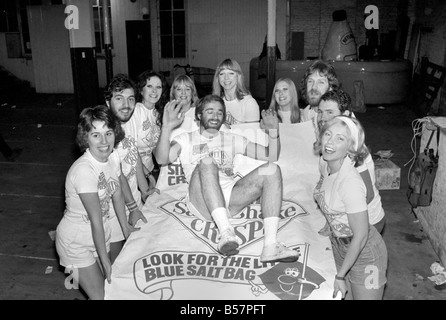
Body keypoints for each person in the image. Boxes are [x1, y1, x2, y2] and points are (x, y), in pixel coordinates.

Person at [154, 94, 299, 263]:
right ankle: (225, 232)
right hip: (201, 201)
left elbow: (271, 155)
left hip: (230, 198)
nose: (215, 116)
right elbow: (161, 159)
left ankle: (271, 246)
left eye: (219, 112)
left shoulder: (231, 138)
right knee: (207, 162)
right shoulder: (185, 139)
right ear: (199, 115)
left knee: (272, 170)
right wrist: (166, 127)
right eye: (210, 111)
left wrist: (273, 132)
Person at [55, 105, 137, 300]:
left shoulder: (110, 159)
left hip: (99, 236)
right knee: (102, 297)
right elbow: (96, 219)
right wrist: (105, 262)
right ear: (86, 138)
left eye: (108, 133)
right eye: (95, 135)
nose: (104, 141)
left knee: (112, 290)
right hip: (76, 242)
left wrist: (126, 227)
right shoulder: (84, 170)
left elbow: (117, 194)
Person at [313, 116, 388, 300]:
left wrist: (340, 276)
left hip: (366, 253)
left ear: (351, 147)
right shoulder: (326, 163)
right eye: (328, 134)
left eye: (340, 138)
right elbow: (330, 196)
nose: (330, 142)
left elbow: (361, 236)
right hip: (341, 247)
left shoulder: (350, 182)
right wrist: (332, 224)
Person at [317, 90, 386, 234]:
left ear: (347, 114)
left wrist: (337, 221)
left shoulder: (354, 151)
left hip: (368, 223)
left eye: (330, 112)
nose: (322, 118)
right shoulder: (330, 140)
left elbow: (368, 195)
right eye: (320, 112)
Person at [104, 74, 149, 262]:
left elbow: (134, 153)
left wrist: (145, 189)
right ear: (108, 102)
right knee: (117, 264)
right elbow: (118, 175)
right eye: (119, 98)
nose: (126, 105)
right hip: (113, 210)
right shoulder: (104, 131)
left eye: (130, 99)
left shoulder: (129, 121)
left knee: (136, 258)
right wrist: (132, 208)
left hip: (133, 201)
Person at [135, 70, 169, 189]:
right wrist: (148, 175)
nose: (154, 91)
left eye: (158, 87)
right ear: (141, 89)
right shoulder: (136, 111)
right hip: (132, 171)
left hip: (148, 169)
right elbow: (130, 150)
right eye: (149, 86)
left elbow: (156, 147)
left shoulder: (157, 113)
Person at [212, 58, 260, 125]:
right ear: (218, 78)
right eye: (222, 74)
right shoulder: (215, 103)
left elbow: (252, 133)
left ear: (238, 76)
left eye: (231, 73)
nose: (226, 78)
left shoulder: (249, 103)